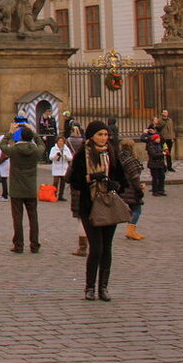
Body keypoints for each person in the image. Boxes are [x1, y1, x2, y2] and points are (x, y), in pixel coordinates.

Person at [67, 120, 127, 301]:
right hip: (90, 205)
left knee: (107, 247)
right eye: (100, 135)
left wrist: (116, 184)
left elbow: (122, 180)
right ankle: (90, 287)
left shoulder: (112, 153)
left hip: (108, 205)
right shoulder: (82, 155)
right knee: (96, 248)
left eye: (106, 135)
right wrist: (91, 177)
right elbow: (73, 180)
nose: (103, 138)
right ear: (91, 136)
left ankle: (103, 287)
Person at [0, 125, 45, 254]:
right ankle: (34, 244)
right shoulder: (35, 151)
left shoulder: (14, 150)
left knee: (17, 218)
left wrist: (9, 132)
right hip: (30, 188)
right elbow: (42, 144)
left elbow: (2, 145)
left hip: (16, 189)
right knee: (33, 217)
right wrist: (34, 133)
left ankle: (18, 244)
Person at [118, 138, 146, 241]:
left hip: (123, 187)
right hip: (131, 188)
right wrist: (139, 189)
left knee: (131, 208)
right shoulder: (130, 160)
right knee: (137, 209)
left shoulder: (119, 158)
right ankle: (130, 230)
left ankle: (132, 230)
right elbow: (134, 177)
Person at [49, 136, 72, 201]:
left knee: (63, 182)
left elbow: (70, 157)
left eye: (62, 141)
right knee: (55, 182)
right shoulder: (53, 149)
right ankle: (54, 194)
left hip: (64, 168)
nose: (60, 142)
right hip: (56, 167)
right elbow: (50, 157)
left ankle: (60, 195)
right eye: (59, 141)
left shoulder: (66, 149)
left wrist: (65, 156)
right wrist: (56, 155)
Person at [144, 131, 167, 196]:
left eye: (159, 138)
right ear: (154, 139)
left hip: (160, 164)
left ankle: (161, 190)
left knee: (162, 177)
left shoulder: (159, 145)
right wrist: (162, 154)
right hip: (154, 164)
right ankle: (155, 191)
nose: (159, 140)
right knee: (155, 178)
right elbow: (153, 154)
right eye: (157, 138)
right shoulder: (151, 146)